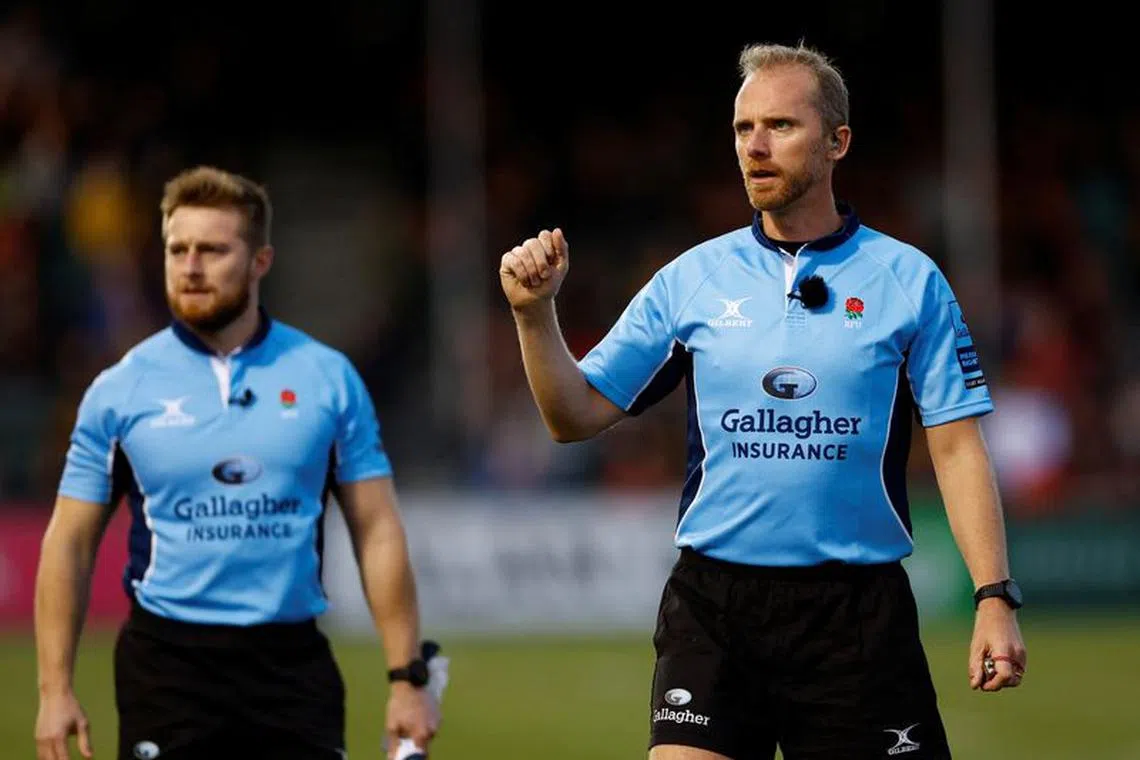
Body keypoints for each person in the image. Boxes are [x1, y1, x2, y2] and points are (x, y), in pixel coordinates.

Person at [499, 42, 1027, 760]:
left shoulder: (911, 281)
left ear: (837, 141)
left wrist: (993, 596)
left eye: (780, 125)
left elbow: (959, 447)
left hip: (856, 614)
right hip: (714, 608)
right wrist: (535, 316)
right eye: (744, 128)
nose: (756, 146)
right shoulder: (692, 280)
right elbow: (572, 417)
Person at [34, 166, 440, 760]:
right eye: (178, 249)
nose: (191, 266)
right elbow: (68, 541)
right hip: (167, 673)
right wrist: (53, 690)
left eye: (213, 250)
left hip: (291, 672)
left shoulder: (328, 378)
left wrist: (407, 679)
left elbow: (376, 527)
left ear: (260, 262)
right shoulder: (117, 391)